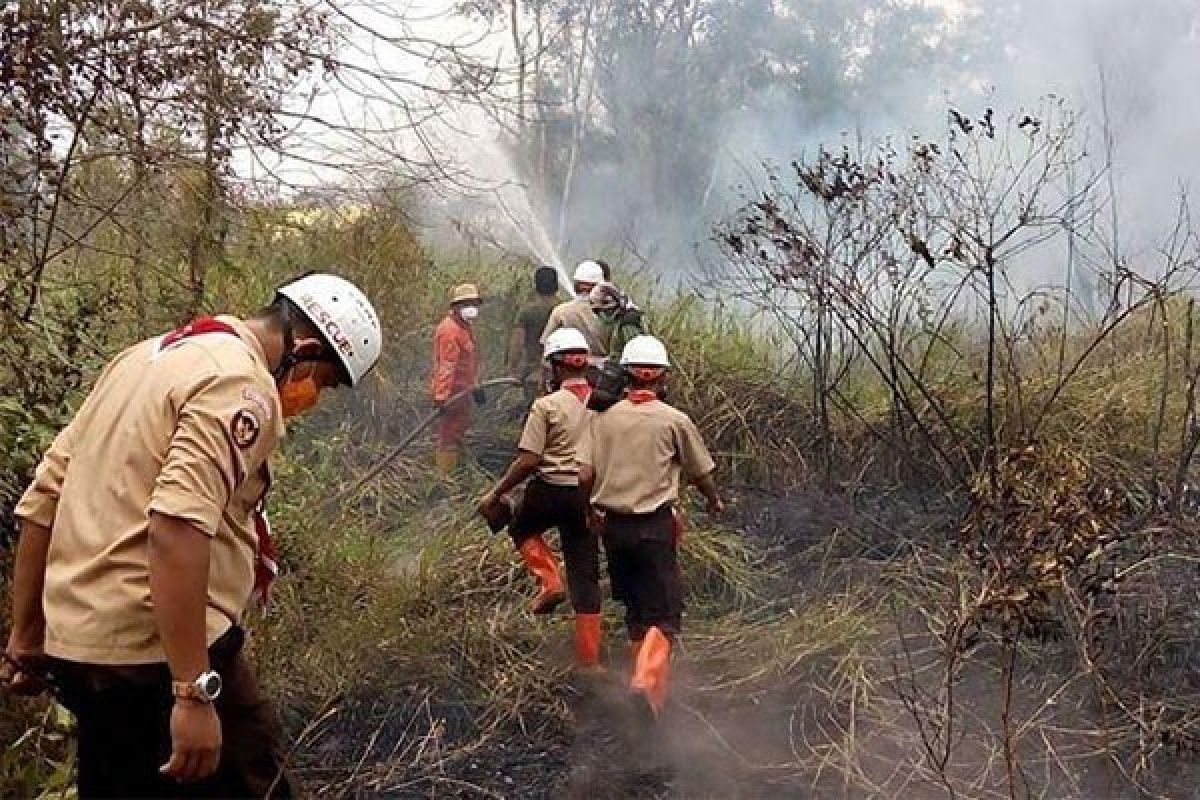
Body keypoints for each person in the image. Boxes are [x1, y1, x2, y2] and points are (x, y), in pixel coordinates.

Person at [1, 273, 383, 798]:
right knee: (259, 785)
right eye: (324, 381)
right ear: (307, 348)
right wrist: (192, 692)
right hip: (155, 653)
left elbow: (44, 500)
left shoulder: (144, 359)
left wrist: (26, 637)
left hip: (81, 649)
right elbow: (178, 526)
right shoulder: (239, 385)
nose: (312, 395)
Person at [578, 334, 724, 717]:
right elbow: (700, 472)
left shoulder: (602, 419)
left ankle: (651, 702)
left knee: (635, 611)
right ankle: (644, 680)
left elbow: (583, 474)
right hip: (654, 527)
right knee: (664, 614)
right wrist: (713, 499)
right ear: (662, 376)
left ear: (626, 374)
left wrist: (590, 509)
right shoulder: (674, 420)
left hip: (613, 528)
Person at [478, 328, 603, 670]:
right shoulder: (605, 405)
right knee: (586, 578)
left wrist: (497, 492)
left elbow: (529, 460)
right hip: (589, 498)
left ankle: (549, 582)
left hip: (552, 489)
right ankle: (590, 660)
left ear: (555, 367)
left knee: (520, 527)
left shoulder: (546, 405)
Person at [431, 283, 485, 474]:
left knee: (459, 432)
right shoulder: (450, 330)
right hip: (453, 394)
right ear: (455, 306)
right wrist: (442, 396)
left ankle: (458, 471)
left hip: (464, 392)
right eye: (466, 304)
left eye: (473, 303)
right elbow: (447, 365)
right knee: (449, 436)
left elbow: (468, 362)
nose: (471, 308)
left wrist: (475, 385)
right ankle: (444, 479)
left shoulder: (464, 328)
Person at [507, 265, 561, 403]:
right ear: (556, 285)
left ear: (536, 285)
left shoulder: (527, 312)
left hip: (534, 375)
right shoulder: (565, 310)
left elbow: (517, 343)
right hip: (561, 375)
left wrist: (513, 370)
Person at [540, 260, 608, 357]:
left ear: (575, 285)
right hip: (605, 368)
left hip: (569, 367)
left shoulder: (561, 311)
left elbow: (545, 342)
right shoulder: (612, 314)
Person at [589, 281, 646, 360]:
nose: (601, 315)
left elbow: (637, 354)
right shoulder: (621, 320)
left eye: (604, 311)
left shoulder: (629, 323)